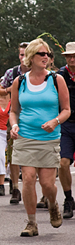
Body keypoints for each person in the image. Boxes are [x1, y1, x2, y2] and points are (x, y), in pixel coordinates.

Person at [10, 39, 70, 237]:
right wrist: (14, 125)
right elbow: (13, 111)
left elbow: (66, 110)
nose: (46, 57)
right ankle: (31, 223)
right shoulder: (19, 82)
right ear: (31, 56)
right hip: (25, 137)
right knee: (28, 179)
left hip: (49, 138)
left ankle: (52, 204)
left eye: (48, 54)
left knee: (47, 184)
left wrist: (55, 121)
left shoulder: (56, 80)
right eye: (42, 54)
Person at [0, 42, 30, 204]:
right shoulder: (12, 72)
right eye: (21, 54)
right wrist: (10, 89)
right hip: (15, 116)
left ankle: (32, 189)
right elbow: (0, 90)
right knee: (13, 153)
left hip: (33, 117)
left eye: (26, 54)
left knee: (32, 153)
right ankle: (16, 189)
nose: (23, 57)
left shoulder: (37, 72)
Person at [57, 42, 75, 219]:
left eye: (74, 56)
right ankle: (68, 199)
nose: (72, 59)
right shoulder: (59, 76)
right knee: (63, 163)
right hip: (66, 123)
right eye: (69, 56)